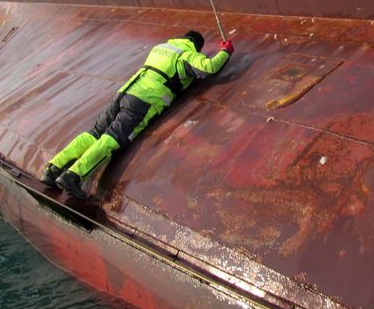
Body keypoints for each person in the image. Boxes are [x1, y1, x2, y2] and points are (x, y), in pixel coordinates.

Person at [40, 31, 234, 198]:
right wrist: (226, 51)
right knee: (112, 139)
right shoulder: (186, 54)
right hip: (143, 100)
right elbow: (209, 68)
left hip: (125, 92)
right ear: (196, 46)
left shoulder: (161, 47)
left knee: (94, 133)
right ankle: (74, 176)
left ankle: (54, 168)